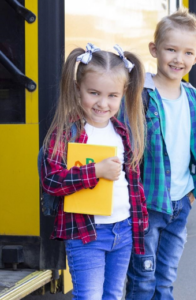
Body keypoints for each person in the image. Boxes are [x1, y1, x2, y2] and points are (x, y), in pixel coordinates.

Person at [40, 43, 148, 300]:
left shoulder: (123, 131)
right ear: (78, 90)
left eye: (112, 96)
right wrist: (96, 170)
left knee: (113, 296)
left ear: (123, 94)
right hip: (85, 234)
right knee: (89, 297)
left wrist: (138, 226)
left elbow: (133, 184)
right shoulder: (67, 133)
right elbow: (51, 180)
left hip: (122, 231)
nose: (102, 103)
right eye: (94, 93)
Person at [124, 8, 196, 300]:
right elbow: (126, 147)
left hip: (180, 204)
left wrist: (192, 191)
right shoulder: (139, 95)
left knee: (165, 281)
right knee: (143, 279)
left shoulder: (192, 97)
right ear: (155, 50)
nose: (179, 59)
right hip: (147, 204)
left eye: (188, 53)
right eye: (171, 50)